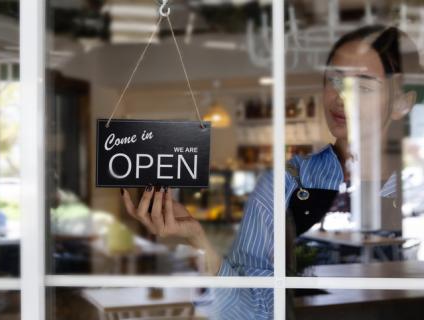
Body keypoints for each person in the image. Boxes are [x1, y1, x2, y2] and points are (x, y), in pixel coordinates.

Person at [120, 25, 420, 319]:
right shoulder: (282, 185)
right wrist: (199, 239)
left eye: (363, 86)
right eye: (335, 80)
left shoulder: (409, 187)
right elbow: (254, 311)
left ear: (401, 103)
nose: (341, 98)